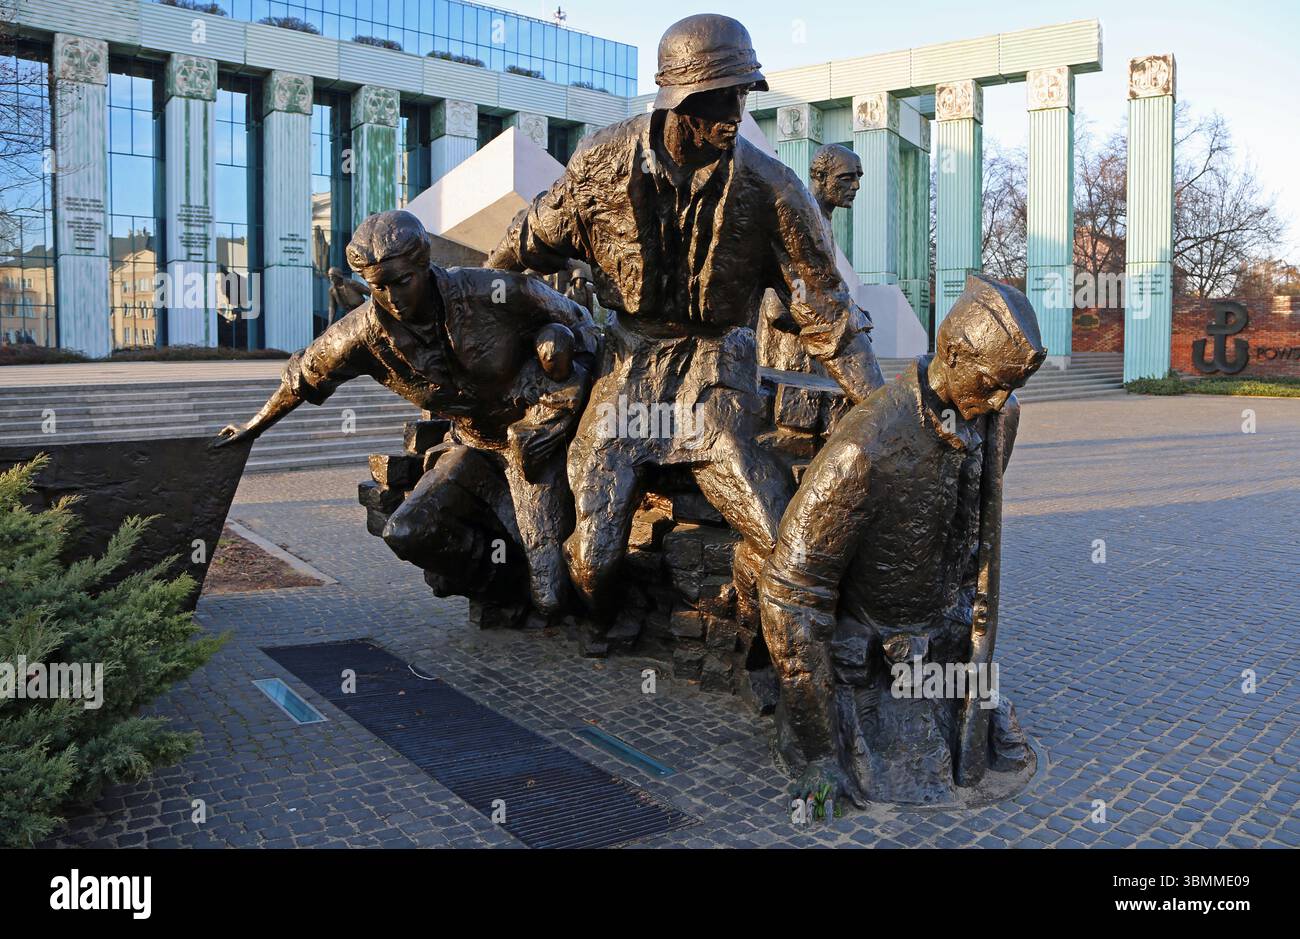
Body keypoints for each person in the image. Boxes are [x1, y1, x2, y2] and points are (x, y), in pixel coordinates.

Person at [485, 13, 884, 632]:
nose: (733, 113)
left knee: (779, 534)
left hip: (716, 371)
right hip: (626, 371)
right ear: (676, 98)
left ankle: (772, 628)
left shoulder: (773, 190)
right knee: (592, 562)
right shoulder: (602, 163)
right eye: (716, 98)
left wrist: (887, 412)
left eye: (741, 95)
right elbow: (529, 241)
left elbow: (828, 315)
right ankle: (615, 618)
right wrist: (468, 313)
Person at [216, 210, 596, 616]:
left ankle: (540, 585)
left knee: (553, 599)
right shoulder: (359, 336)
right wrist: (252, 427)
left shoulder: (491, 291)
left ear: (424, 264)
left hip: (532, 442)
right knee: (406, 531)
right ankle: (503, 589)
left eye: (402, 281)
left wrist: (566, 394)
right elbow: (302, 378)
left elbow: (580, 321)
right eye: (379, 287)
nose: (393, 297)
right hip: (472, 446)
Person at [759, 275, 1047, 805]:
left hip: (942, 638)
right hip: (871, 650)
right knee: (911, 773)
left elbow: (970, 545)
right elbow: (790, 592)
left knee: (978, 747)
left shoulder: (995, 416)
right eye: (991, 382)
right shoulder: (864, 450)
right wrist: (823, 752)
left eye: (1011, 386)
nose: (1001, 398)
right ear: (954, 354)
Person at [759, 143, 865, 374]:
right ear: (820, 176)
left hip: (811, 353)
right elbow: (782, 300)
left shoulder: (822, 219)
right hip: (790, 360)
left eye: (858, 177)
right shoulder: (799, 218)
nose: (856, 186)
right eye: (846, 178)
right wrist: (838, 316)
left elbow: (814, 290)